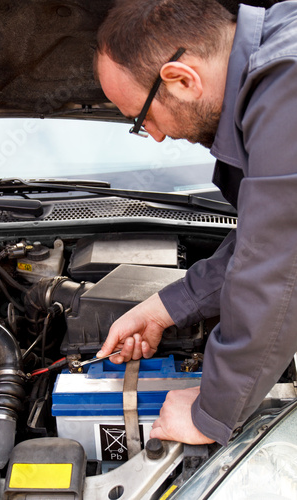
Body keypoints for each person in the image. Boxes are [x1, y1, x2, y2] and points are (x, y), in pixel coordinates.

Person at [94, 0, 297, 446]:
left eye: (143, 117)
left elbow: (277, 269)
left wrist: (211, 414)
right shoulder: (277, 48)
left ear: (183, 79)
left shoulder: (287, 84)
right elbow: (270, 234)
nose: (157, 134)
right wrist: (166, 307)